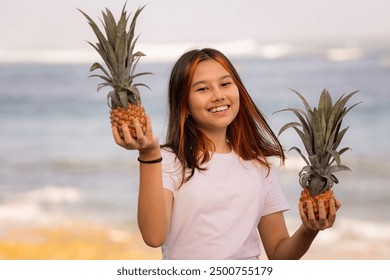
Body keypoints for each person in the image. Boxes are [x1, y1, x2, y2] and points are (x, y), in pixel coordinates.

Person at [112, 48, 341, 260]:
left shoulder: (258, 165)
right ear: (184, 105)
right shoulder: (168, 160)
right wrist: (149, 153)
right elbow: (153, 237)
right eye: (202, 88)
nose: (218, 95)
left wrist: (309, 230)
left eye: (225, 84)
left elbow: (279, 253)